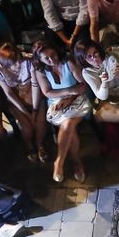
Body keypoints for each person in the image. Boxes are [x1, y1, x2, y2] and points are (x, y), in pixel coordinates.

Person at [31, 37, 92, 184]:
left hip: (78, 100)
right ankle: (77, 162)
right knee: (68, 127)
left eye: (53, 55)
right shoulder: (40, 70)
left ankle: (59, 162)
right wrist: (69, 91)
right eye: (46, 58)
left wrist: (69, 98)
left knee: (68, 124)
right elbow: (47, 92)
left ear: (57, 51)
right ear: (40, 60)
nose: (51, 60)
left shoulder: (68, 62)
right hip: (56, 103)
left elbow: (83, 86)